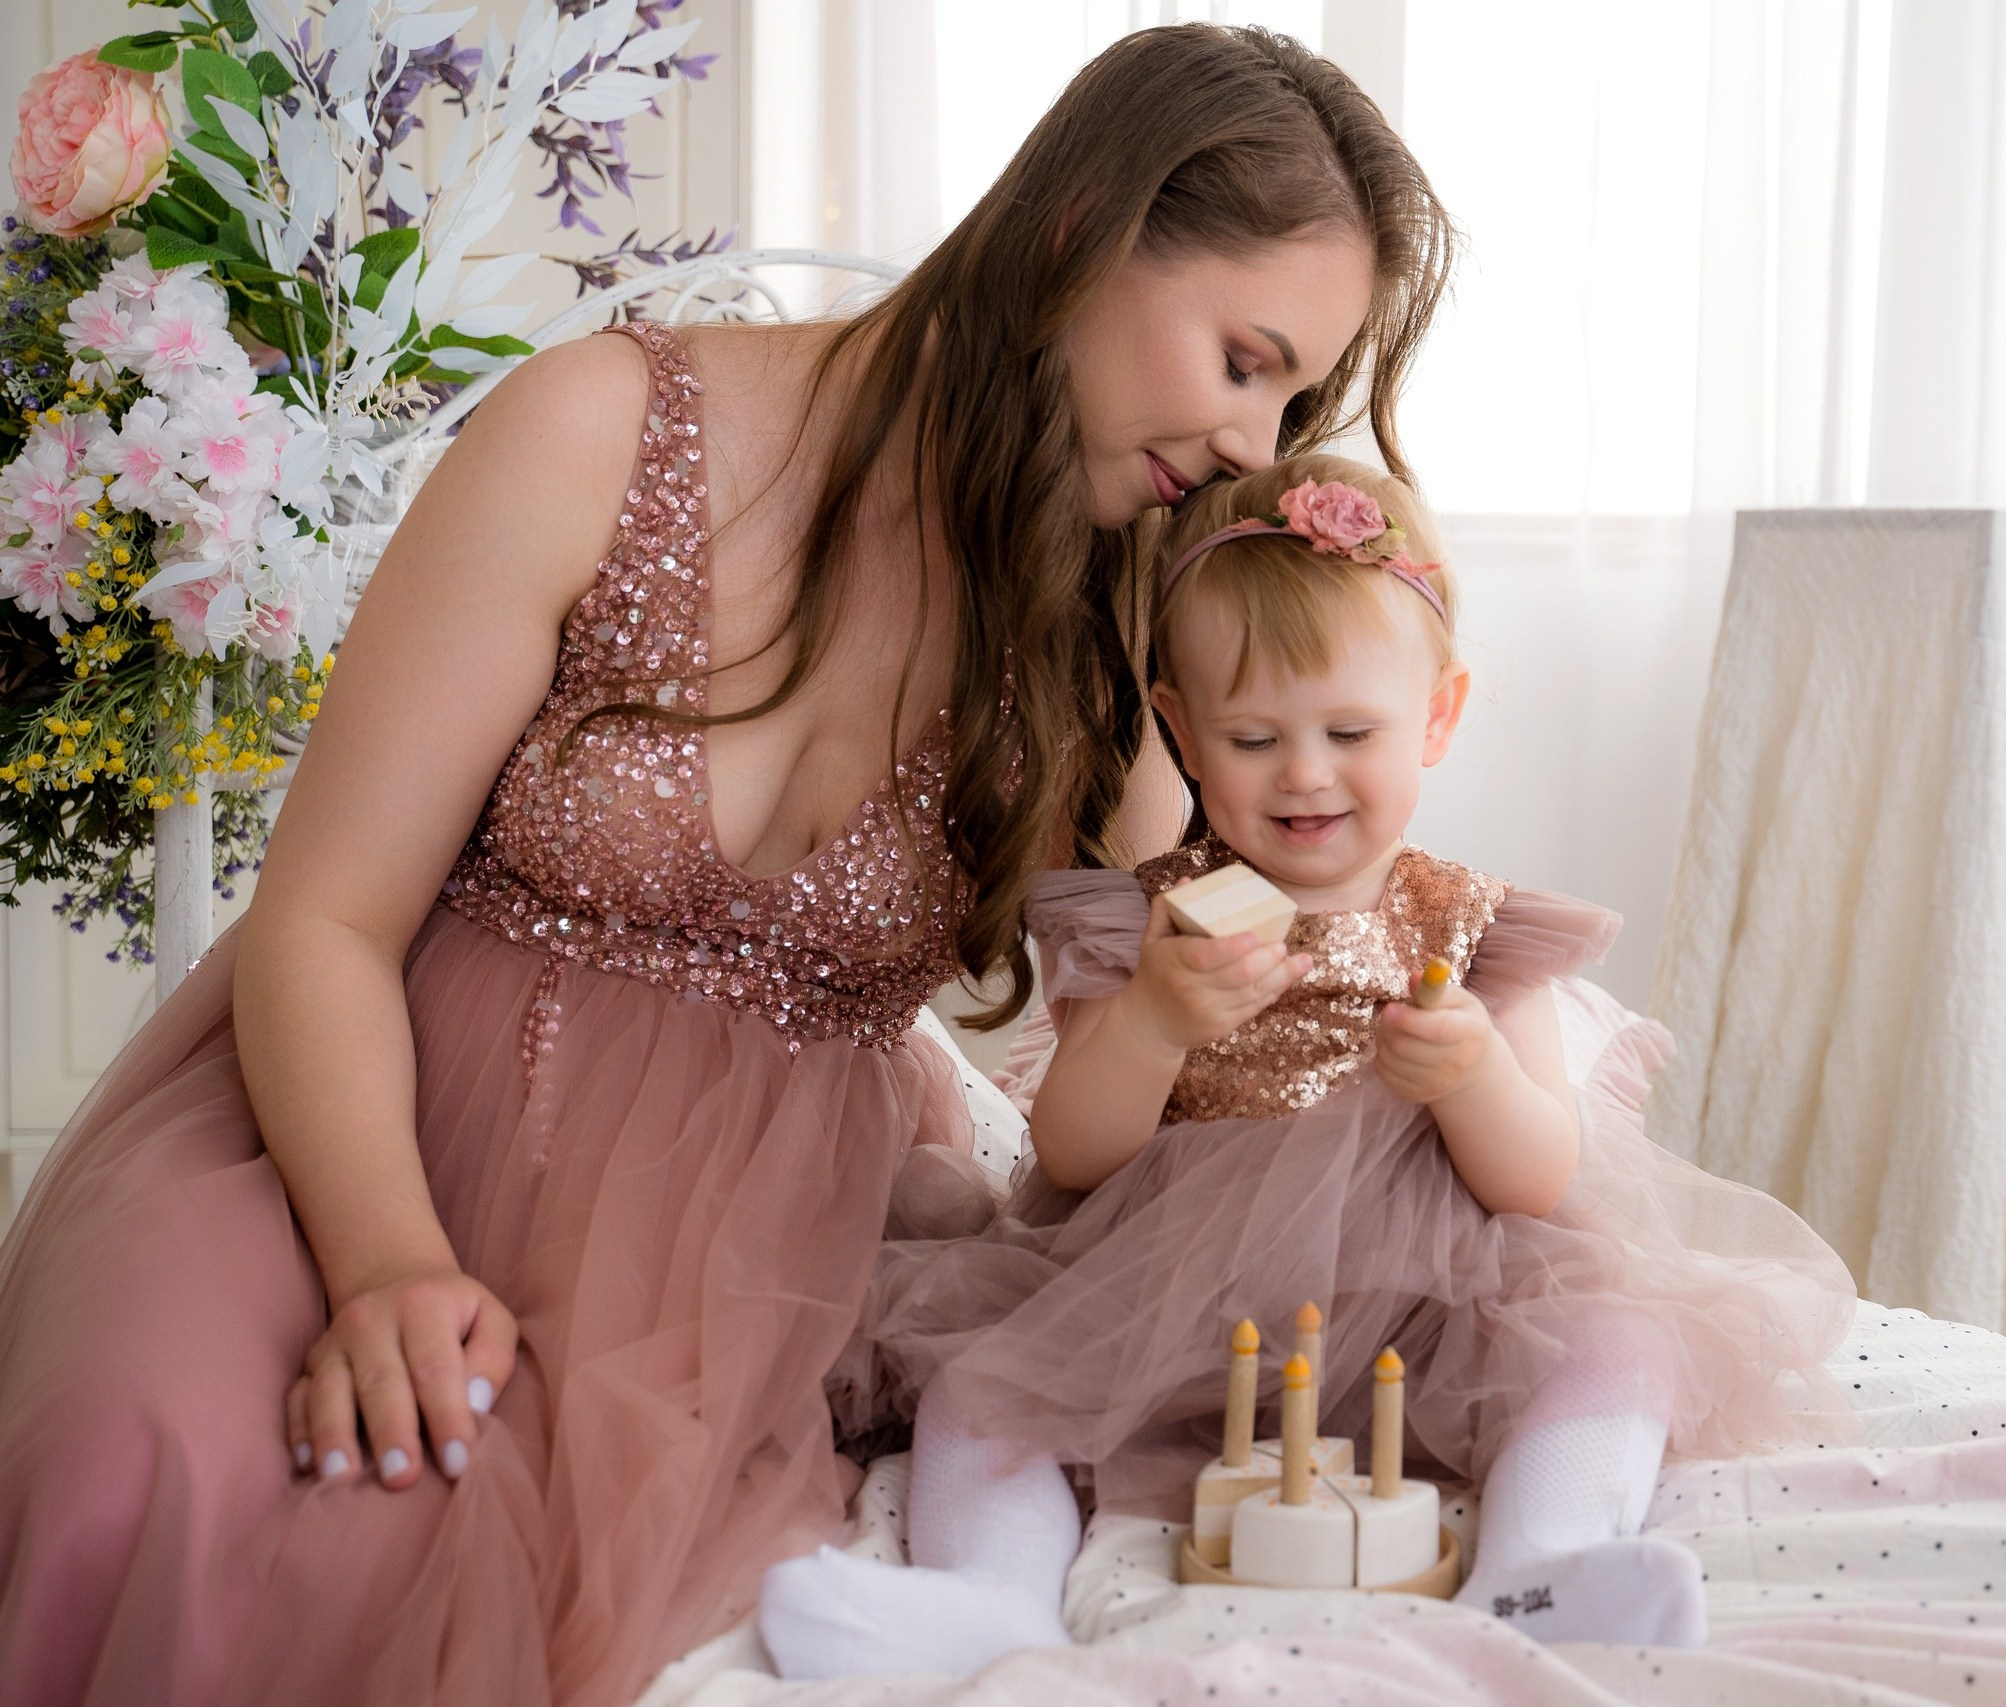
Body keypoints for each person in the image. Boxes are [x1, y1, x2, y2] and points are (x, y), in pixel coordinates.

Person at [0, 26, 1453, 1707]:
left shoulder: (1110, 625)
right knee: (144, 1450)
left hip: (721, 1260)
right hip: (350, 1127)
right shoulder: (603, 428)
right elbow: (326, 913)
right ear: (1082, 229)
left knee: (434, 1551)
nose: (1258, 438)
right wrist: (387, 1260)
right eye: (1245, 361)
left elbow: (1170, 1046)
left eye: (1296, 402)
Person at [762, 456, 1856, 1679]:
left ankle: (1541, 1562)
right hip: (1168, 1302)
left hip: (1430, 1317)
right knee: (980, 1390)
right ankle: (990, 1595)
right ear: (1182, 730)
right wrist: (1153, 1023)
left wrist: (1473, 1078)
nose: (1304, 773)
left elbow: (1538, 1179)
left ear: (1436, 716)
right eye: (1252, 737)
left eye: (1349, 732)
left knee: (1620, 1346)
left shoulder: (1475, 931)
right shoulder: (1144, 926)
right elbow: (1071, 1151)